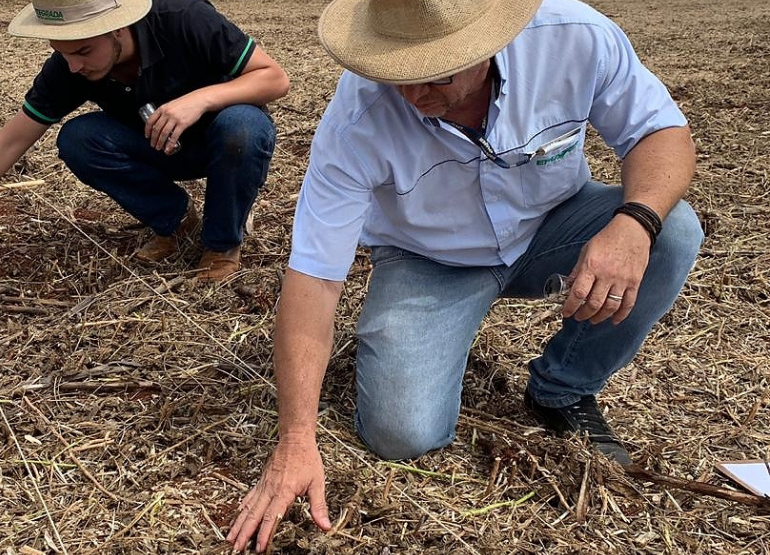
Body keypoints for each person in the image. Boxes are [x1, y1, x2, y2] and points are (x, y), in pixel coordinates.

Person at [228, 0, 703, 550]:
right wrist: (295, 440)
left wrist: (633, 224)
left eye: (436, 75)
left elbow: (660, 132)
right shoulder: (356, 121)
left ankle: (563, 389)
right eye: (397, 74)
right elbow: (314, 278)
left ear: (488, 43)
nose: (413, 96)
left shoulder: (574, 37)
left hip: (553, 226)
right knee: (401, 432)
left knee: (672, 231)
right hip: (430, 258)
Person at [0, 0, 289, 281]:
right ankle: (176, 221)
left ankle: (222, 244)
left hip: (225, 145)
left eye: (84, 51)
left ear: (118, 28)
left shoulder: (183, 18)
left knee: (244, 126)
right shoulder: (70, 65)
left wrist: (200, 100)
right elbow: (11, 139)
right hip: (157, 148)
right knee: (79, 138)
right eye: (62, 53)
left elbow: (274, 78)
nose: (74, 65)